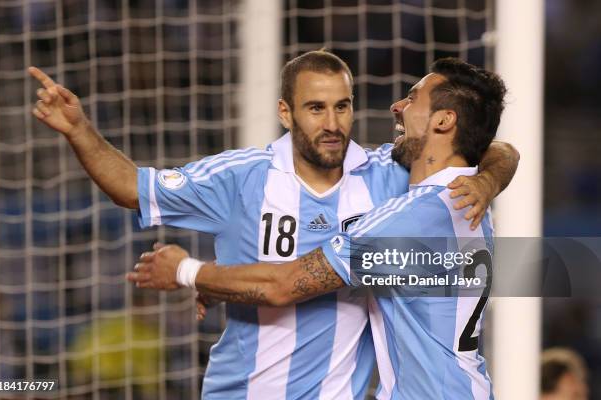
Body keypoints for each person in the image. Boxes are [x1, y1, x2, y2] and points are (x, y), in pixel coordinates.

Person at [31, 51, 517, 399]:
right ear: (285, 112)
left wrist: (192, 272)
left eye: (342, 106)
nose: (332, 122)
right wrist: (79, 130)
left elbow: (285, 284)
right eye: (315, 107)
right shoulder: (244, 176)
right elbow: (134, 188)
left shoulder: (391, 185)